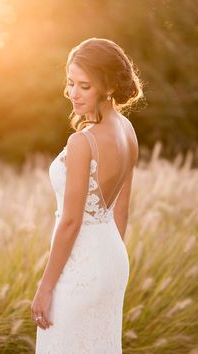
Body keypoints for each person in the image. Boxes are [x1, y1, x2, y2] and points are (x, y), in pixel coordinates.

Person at [31, 37, 143, 353]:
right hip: (112, 260)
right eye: (70, 83)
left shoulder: (82, 142)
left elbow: (70, 222)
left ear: (107, 87)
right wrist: (106, 262)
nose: (73, 94)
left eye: (84, 86)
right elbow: (121, 211)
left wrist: (45, 288)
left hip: (80, 269)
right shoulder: (128, 131)